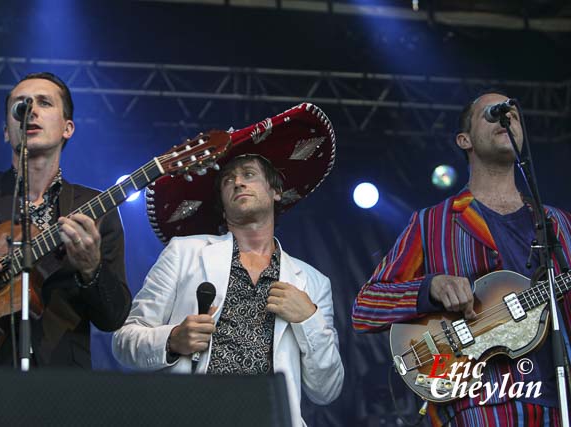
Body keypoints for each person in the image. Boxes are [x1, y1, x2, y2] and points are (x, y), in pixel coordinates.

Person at [352, 92, 571, 426]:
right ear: (464, 139)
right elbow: (366, 308)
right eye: (492, 113)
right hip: (476, 408)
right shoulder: (431, 223)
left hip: (559, 408)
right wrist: (431, 287)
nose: (506, 116)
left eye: (512, 112)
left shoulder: (559, 224)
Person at [112, 152, 344, 425]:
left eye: (248, 174)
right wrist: (173, 339)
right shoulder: (184, 252)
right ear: (222, 207)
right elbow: (124, 341)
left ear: (276, 192)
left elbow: (326, 390)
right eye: (227, 181)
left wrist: (309, 319)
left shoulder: (313, 282)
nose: (238, 183)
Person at [0, 72, 131, 368]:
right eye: (20, 104)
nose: (31, 110)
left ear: (68, 128)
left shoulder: (95, 209)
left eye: (44, 103)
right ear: (6, 131)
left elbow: (113, 318)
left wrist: (92, 269)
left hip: (61, 384)